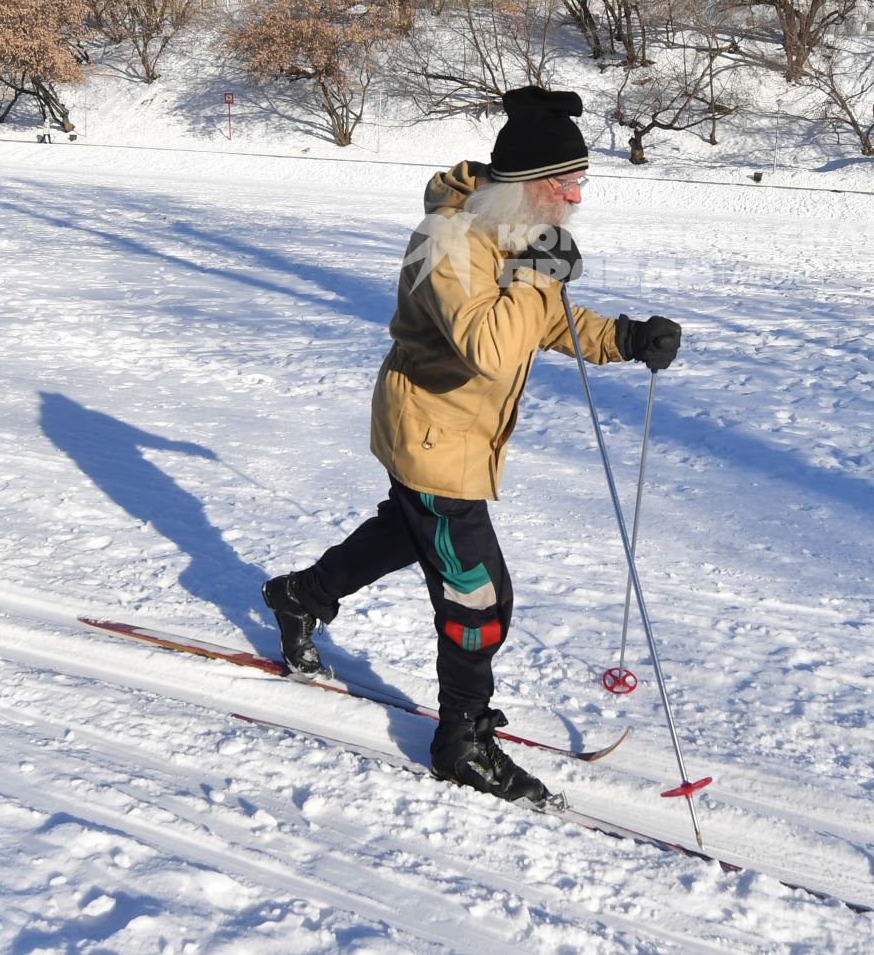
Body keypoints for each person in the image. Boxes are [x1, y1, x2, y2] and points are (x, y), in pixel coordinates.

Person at [262, 87, 682, 808]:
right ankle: (461, 742)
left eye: (580, 182)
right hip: (434, 435)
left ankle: (300, 596)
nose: (576, 198)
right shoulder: (447, 241)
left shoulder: (506, 228)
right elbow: (491, 345)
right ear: (525, 185)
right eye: (565, 183)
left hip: (450, 434)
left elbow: (538, 320)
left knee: (409, 534)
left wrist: (624, 336)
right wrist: (539, 275)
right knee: (478, 594)